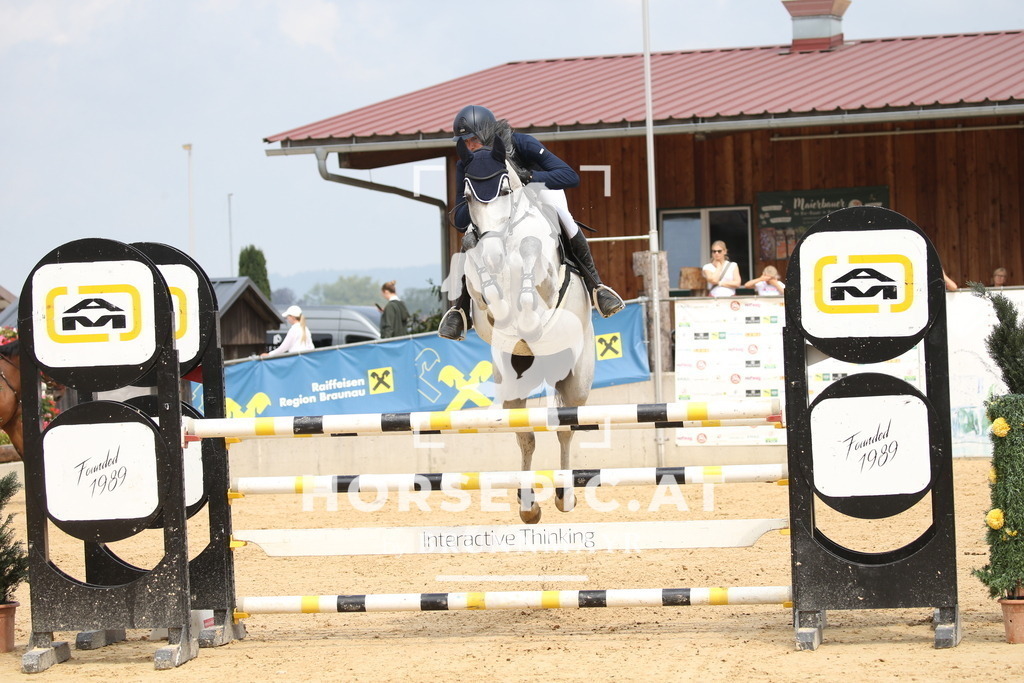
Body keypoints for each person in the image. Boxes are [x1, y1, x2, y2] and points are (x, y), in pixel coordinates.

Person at [438, 105, 625, 341]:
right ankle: (461, 309)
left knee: (563, 216)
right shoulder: (466, 164)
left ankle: (596, 286)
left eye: (473, 139)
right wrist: (471, 202)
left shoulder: (521, 143)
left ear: (486, 133)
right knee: (469, 235)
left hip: (536, 195)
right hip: (495, 213)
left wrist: (528, 177)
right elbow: (460, 216)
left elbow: (569, 176)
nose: (470, 146)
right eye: (464, 142)